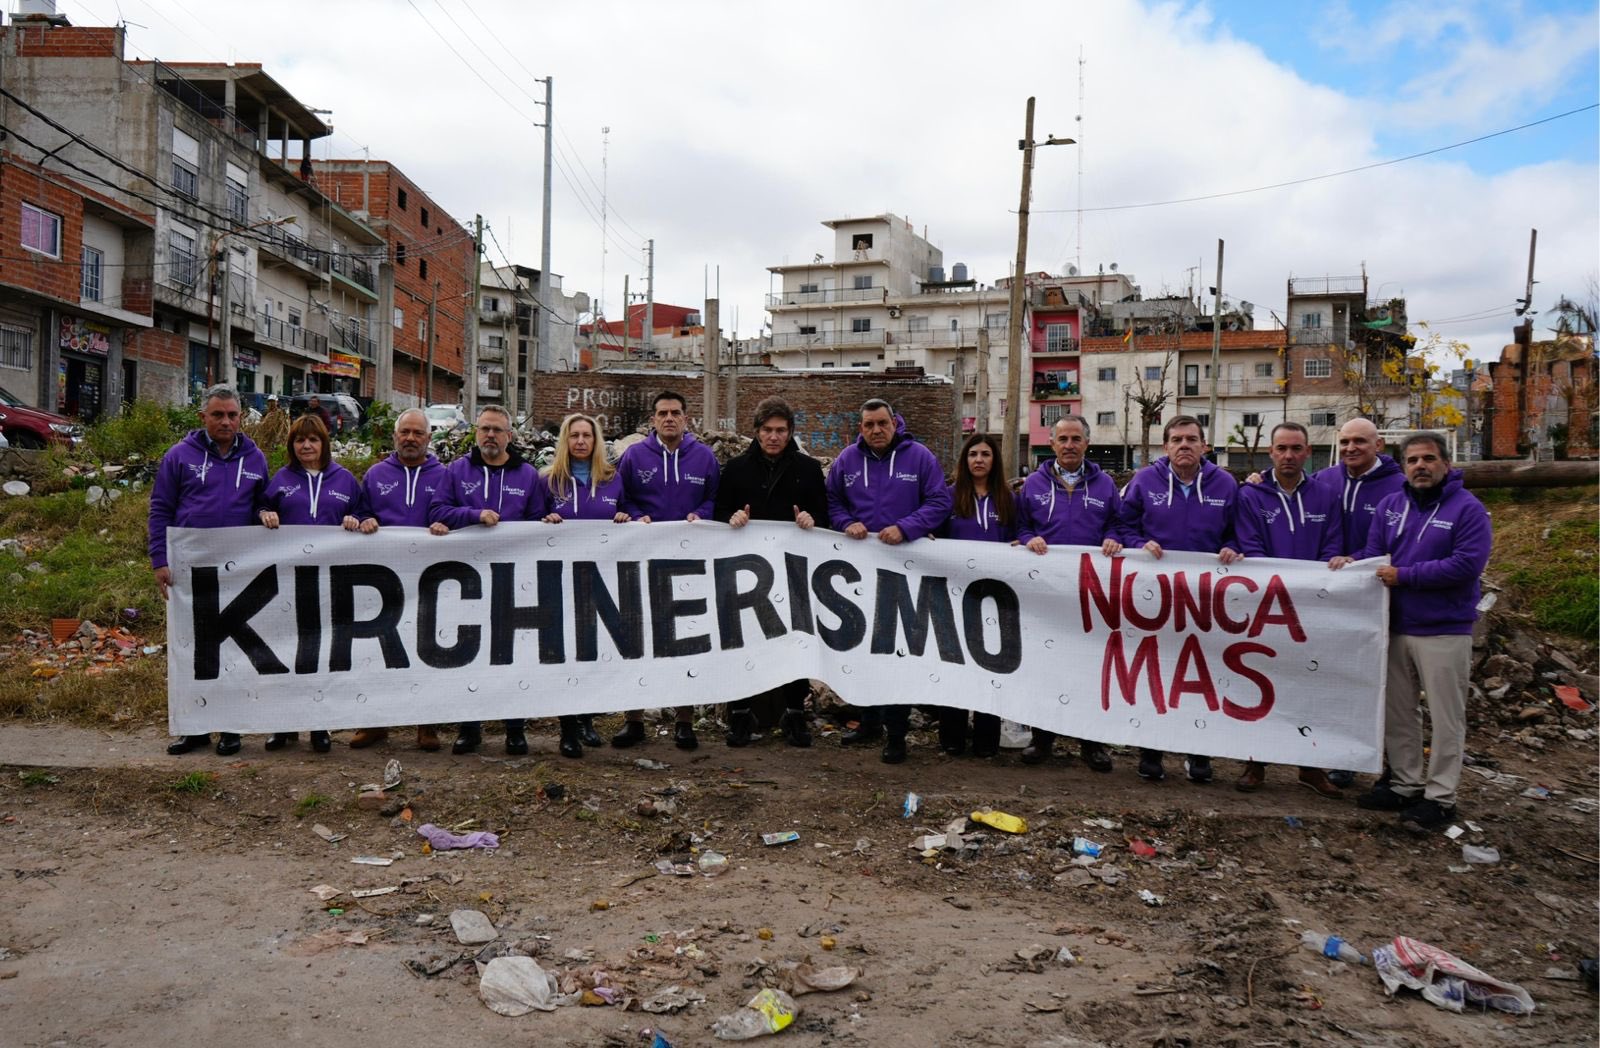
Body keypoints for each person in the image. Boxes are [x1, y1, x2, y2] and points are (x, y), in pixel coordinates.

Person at [1355, 433, 1492, 832]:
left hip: (1444, 629)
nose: (1420, 466)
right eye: (1412, 460)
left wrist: (1406, 576)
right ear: (1403, 466)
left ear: (1446, 464)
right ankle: (1405, 783)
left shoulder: (1468, 509)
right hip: (1395, 626)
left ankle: (1441, 797)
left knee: (1447, 717)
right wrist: (1347, 564)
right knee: (1399, 710)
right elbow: (1373, 557)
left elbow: (1466, 564)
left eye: (1429, 458)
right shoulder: (1390, 506)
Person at [825, 397, 953, 763]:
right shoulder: (847, 460)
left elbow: (939, 502)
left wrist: (906, 527)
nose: (876, 430)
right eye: (869, 425)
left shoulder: (920, 458)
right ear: (860, 428)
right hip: (861, 571)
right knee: (864, 646)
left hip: (905, 569)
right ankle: (868, 722)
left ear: (895, 423)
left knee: (897, 650)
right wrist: (846, 522)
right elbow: (832, 501)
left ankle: (896, 734)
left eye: (882, 423)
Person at [1117, 415, 1242, 784]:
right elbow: (1123, 526)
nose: (1184, 445)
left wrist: (1232, 547)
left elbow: (1240, 532)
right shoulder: (1144, 480)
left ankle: (1198, 752)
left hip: (1207, 598)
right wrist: (1139, 544)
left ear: (1204, 446)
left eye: (1191, 439)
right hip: (1154, 596)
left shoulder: (1226, 484)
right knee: (1155, 673)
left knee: (1202, 676)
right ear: (1166, 446)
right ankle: (1151, 751)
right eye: (1176, 439)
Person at [149, 384, 269, 757]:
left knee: (233, 651)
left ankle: (231, 728)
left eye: (232, 415)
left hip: (237, 570)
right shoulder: (178, 456)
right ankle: (195, 729)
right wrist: (159, 560)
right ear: (203, 417)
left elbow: (262, 505)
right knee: (192, 650)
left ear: (241, 417)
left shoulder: (256, 459)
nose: (226, 422)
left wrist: (266, 515)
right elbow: (160, 508)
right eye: (218, 415)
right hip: (190, 570)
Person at [1230, 422, 1349, 797]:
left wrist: (1314, 585)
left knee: (1307, 684)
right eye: (1281, 448)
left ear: (1307, 452)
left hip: (1312, 607)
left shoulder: (1326, 495)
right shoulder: (1250, 495)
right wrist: (1278, 587)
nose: (1288, 455)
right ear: (1271, 452)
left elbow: (1333, 546)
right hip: (1265, 606)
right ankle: (1255, 762)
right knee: (1259, 683)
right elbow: (1250, 545)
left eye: (1296, 448)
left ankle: (1310, 766)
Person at [428, 405, 550, 756]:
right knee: (471, 652)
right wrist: (473, 515)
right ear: (476, 433)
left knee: (513, 653)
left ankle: (514, 727)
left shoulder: (528, 475)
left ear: (510, 436)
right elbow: (437, 511)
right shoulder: (457, 470)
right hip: (467, 579)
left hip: (513, 579)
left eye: (497, 430)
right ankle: (470, 728)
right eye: (484, 429)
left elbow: (537, 521)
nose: (490, 435)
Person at [714, 397, 829, 748]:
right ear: (756, 431)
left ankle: (794, 713)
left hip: (793, 571)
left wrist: (810, 519)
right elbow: (718, 516)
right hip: (746, 573)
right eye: (767, 430)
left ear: (790, 432)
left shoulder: (809, 469)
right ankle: (740, 713)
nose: (774, 436)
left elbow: (825, 518)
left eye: (780, 430)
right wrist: (732, 518)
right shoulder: (735, 469)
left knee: (795, 640)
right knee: (743, 639)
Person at [1014, 415, 1125, 770]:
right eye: (1062, 439)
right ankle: (1042, 740)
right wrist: (1028, 537)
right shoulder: (1033, 484)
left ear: (1087, 443)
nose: (1069, 445)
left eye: (1076, 439)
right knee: (1044, 667)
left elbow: (1118, 524)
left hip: (1090, 594)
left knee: (1089, 668)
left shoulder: (1105, 485)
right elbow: (1020, 526)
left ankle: (1091, 744)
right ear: (1052, 443)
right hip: (1045, 593)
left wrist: (1114, 538)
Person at [612, 391, 721, 751]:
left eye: (676, 412)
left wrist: (700, 515)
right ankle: (633, 720)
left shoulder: (704, 457)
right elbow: (622, 497)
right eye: (663, 413)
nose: (669, 418)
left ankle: (684, 721)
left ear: (686, 418)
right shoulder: (634, 456)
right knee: (637, 637)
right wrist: (635, 515)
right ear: (653, 420)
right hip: (643, 559)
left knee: (685, 638)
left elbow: (714, 498)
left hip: (689, 562)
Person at [256, 414, 371, 753]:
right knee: (285, 651)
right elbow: (259, 508)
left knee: (319, 654)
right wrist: (264, 514)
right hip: (288, 581)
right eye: (299, 440)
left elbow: (365, 514)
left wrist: (356, 519)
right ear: (292, 445)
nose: (306, 445)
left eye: (313, 439)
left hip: (328, 582)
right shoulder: (281, 479)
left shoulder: (345, 480)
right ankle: (284, 725)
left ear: (324, 443)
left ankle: (319, 725)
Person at [347, 408, 450, 752]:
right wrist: (364, 519)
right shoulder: (376, 474)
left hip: (428, 579)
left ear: (429, 438)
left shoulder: (444, 476)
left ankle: (427, 724)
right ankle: (374, 723)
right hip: (383, 579)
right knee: (378, 650)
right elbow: (360, 510)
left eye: (417, 433)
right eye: (404, 432)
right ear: (395, 436)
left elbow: (451, 511)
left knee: (427, 648)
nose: (410, 438)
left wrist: (446, 524)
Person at [541, 412, 631, 757]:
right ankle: (567, 728)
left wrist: (625, 517)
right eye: (574, 435)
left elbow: (630, 512)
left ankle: (587, 720)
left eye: (587, 435)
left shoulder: (612, 479)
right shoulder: (548, 480)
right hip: (560, 581)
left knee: (593, 652)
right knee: (566, 654)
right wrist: (543, 520)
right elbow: (529, 521)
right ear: (565, 440)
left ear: (596, 441)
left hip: (600, 582)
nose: (581, 441)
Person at [935, 432, 1018, 758]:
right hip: (956, 596)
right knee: (955, 664)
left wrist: (1022, 543)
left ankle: (986, 737)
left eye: (985, 454)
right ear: (965, 460)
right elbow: (933, 534)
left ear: (994, 460)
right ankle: (952, 735)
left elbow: (1022, 533)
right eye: (973, 454)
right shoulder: (948, 497)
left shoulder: (1009, 499)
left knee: (991, 667)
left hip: (997, 599)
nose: (979, 460)